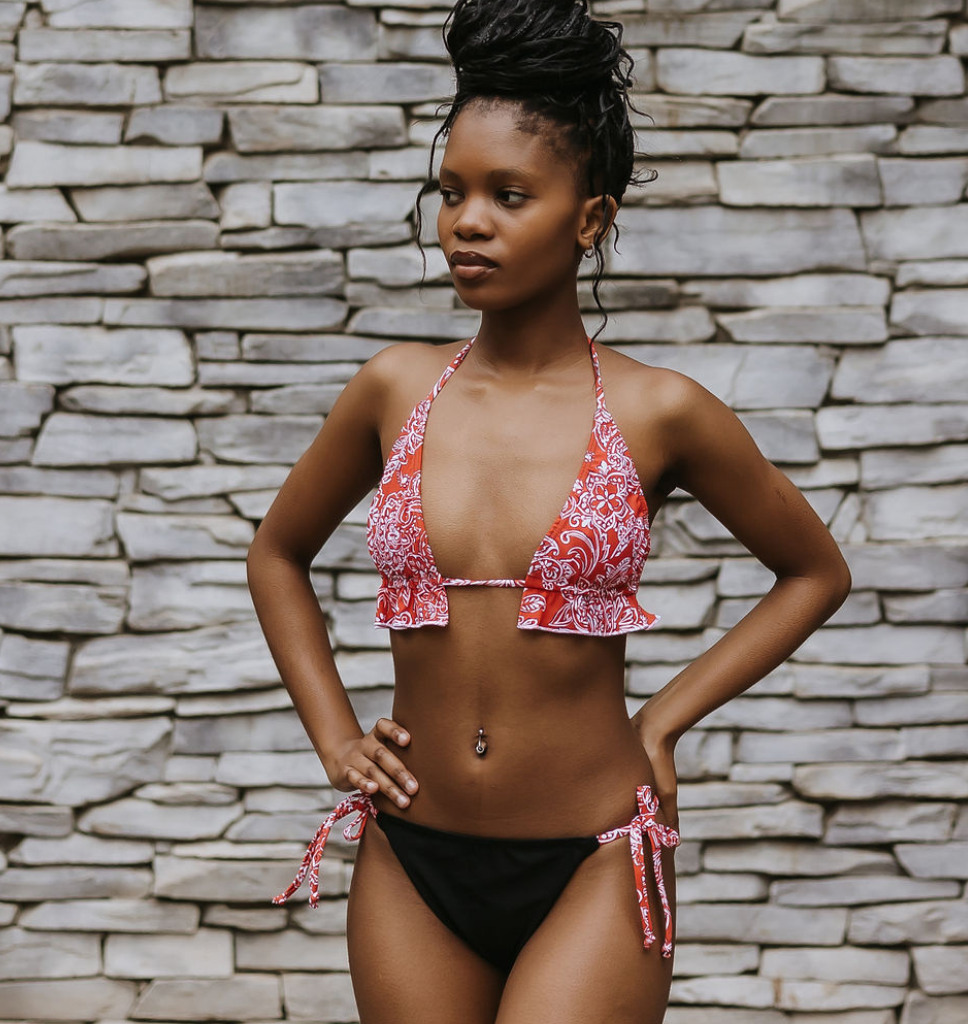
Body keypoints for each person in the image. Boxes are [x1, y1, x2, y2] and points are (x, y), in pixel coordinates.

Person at [245, 1, 853, 1020]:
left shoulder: (658, 410)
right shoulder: (392, 389)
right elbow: (276, 552)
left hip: (594, 856)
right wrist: (334, 737)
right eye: (451, 192)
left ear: (589, 219)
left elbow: (815, 572)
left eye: (507, 194)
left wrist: (662, 719)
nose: (466, 221)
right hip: (410, 860)